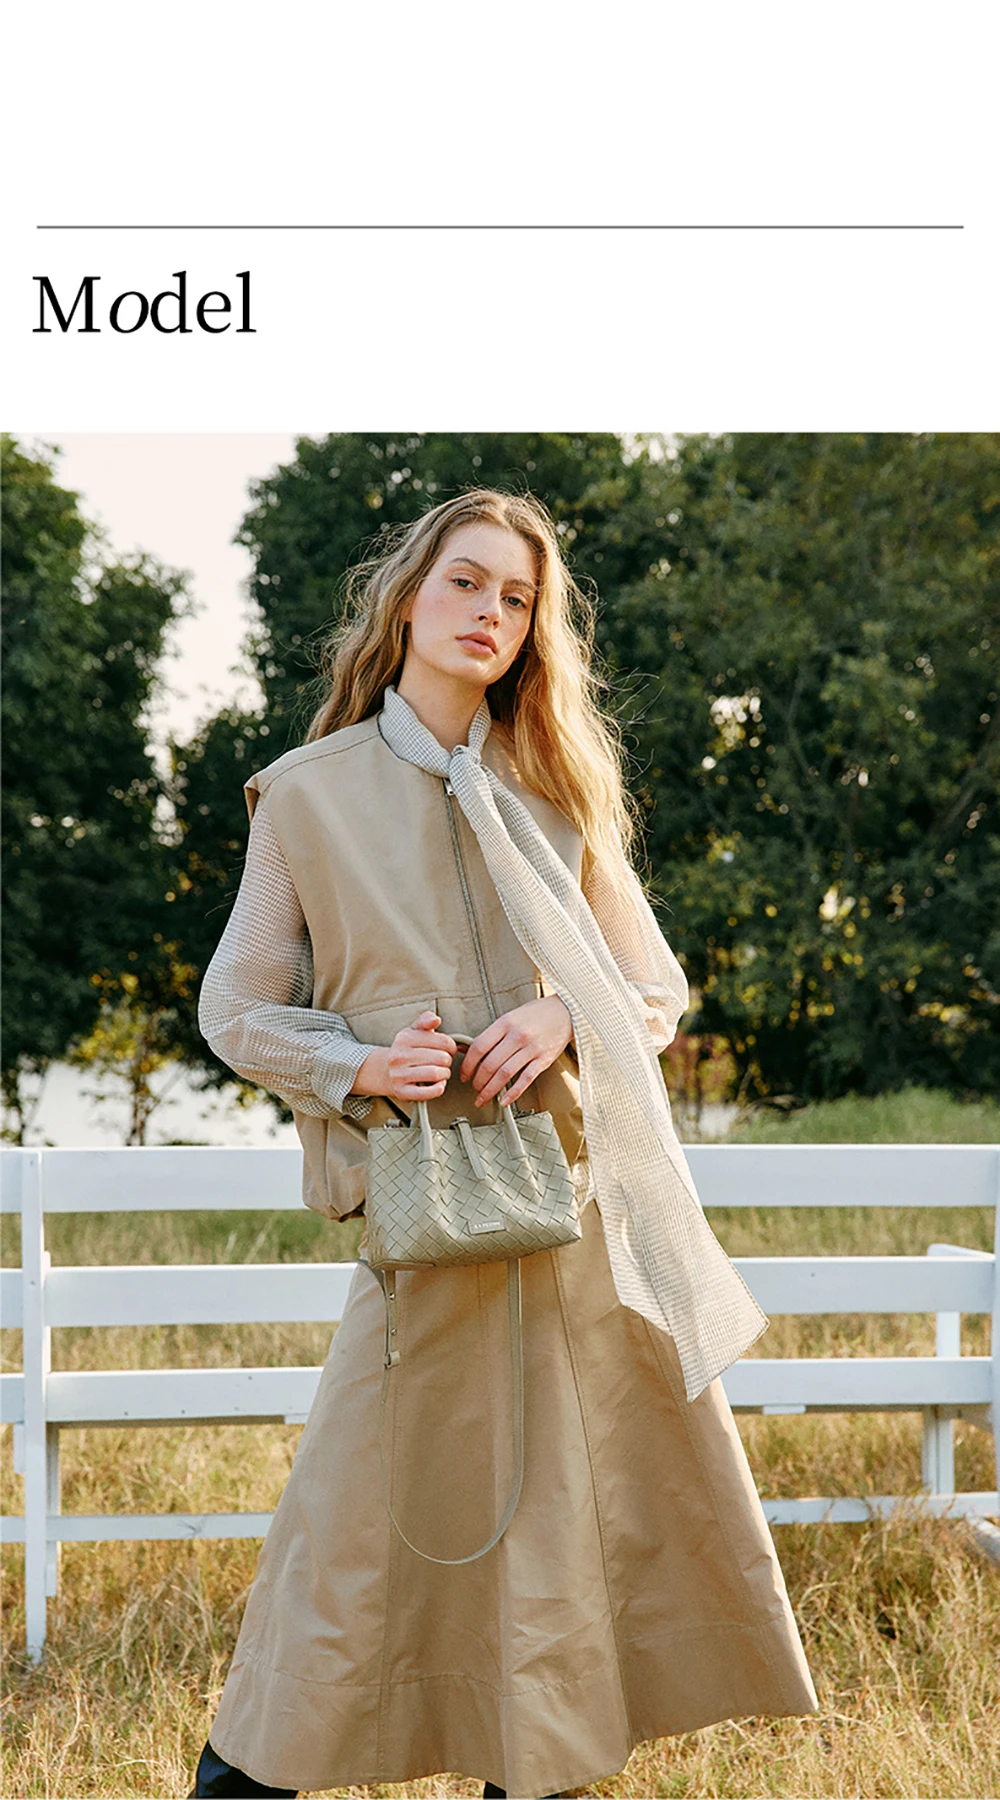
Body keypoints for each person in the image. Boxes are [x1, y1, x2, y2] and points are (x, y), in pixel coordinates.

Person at [189, 487, 818, 1800]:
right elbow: (234, 1008)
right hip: (424, 1229)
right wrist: (360, 1064)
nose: (490, 612)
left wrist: (562, 1015)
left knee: (566, 1556)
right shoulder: (305, 796)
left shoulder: (555, 790)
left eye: (518, 599)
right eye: (467, 582)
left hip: (572, 1226)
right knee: (345, 1543)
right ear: (409, 597)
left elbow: (651, 987)